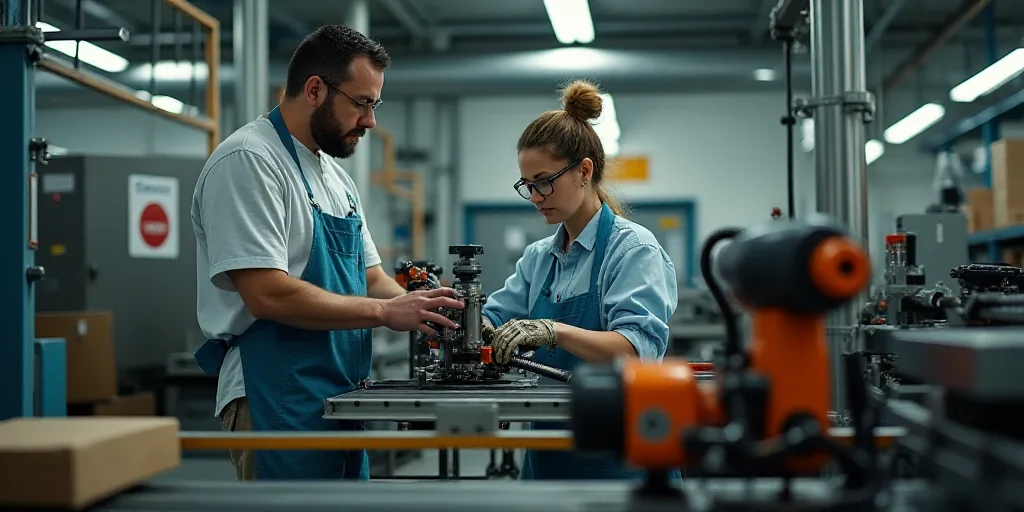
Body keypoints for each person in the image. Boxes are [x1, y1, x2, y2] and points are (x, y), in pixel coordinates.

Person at [191, 25, 463, 481]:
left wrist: (429, 308)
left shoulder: (335, 178)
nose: (371, 121)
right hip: (276, 392)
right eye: (362, 103)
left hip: (338, 391)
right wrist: (384, 311)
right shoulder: (249, 161)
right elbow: (267, 294)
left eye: (375, 105)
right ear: (315, 89)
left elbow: (371, 276)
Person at [481, 80, 680, 480]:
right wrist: (475, 327)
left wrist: (552, 330)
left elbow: (635, 349)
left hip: (618, 458)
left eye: (543, 181)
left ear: (584, 171)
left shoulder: (632, 249)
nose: (535, 196)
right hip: (547, 454)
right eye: (527, 185)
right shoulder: (539, 257)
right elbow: (495, 318)